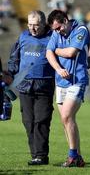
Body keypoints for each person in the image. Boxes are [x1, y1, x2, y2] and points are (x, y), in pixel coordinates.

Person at [8, 10, 55, 165]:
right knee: (28, 121)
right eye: (30, 25)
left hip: (44, 85)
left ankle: (41, 156)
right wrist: (12, 70)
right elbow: (15, 56)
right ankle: (35, 155)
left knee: (41, 121)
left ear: (44, 24)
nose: (33, 28)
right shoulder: (23, 36)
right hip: (25, 85)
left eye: (36, 25)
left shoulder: (52, 38)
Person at [46, 9, 90, 167]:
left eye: (59, 28)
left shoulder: (81, 30)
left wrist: (57, 50)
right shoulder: (56, 33)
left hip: (77, 80)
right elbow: (48, 53)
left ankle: (72, 156)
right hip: (61, 82)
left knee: (66, 116)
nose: (57, 32)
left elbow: (71, 52)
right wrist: (58, 69)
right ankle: (77, 156)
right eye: (54, 30)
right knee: (67, 120)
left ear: (66, 20)